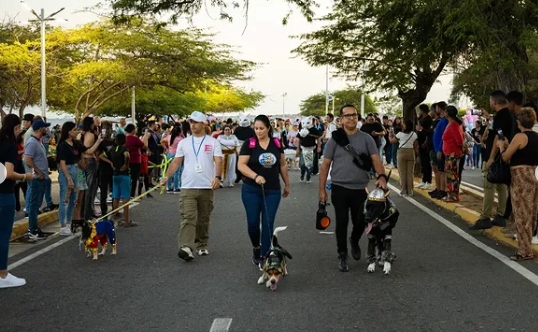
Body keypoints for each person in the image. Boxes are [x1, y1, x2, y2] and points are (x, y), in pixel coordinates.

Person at [319, 104, 388, 272]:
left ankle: (354, 240)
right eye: (347, 116)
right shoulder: (335, 139)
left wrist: (381, 176)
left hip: (360, 189)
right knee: (342, 221)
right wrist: (321, 190)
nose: (351, 118)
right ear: (341, 119)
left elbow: (375, 159)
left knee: (361, 221)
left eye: (354, 115)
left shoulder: (366, 138)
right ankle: (342, 254)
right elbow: (325, 165)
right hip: (339, 187)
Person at [161, 111, 223, 261]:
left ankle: (202, 244)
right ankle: (186, 247)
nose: (192, 125)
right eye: (191, 122)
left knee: (203, 218)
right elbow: (176, 162)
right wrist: (166, 177)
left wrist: (217, 177)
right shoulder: (184, 142)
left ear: (203, 124)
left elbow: (219, 160)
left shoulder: (213, 142)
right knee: (187, 217)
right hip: (188, 186)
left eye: (196, 122)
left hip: (206, 186)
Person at [237, 115, 291, 267]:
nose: (258, 131)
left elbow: (282, 165)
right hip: (251, 189)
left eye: (261, 128)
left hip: (272, 190)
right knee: (253, 223)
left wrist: (287, 184)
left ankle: (265, 255)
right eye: (256, 128)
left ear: (268, 128)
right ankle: (256, 247)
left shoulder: (276, 143)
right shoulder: (250, 143)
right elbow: (241, 165)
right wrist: (255, 176)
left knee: (268, 223)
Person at [497, 107, 538, 260]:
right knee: (530, 213)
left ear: (519, 121)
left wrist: (502, 147)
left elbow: (506, 157)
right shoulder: (535, 136)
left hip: (520, 177)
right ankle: (526, 247)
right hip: (532, 174)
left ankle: (524, 251)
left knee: (521, 214)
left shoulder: (520, 136)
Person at [0, 114, 34, 288]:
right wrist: (25, 176)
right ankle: (3, 275)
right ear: (15, 127)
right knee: (3, 235)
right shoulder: (10, 146)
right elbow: (9, 173)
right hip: (4, 194)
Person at [56, 122, 101, 234]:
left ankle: (72, 221)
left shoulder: (76, 143)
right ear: (69, 131)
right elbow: (62, 163)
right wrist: (69, 178)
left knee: (74, 199)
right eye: (75, 129)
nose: (78, 131)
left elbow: (89, 151)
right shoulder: (62, 146)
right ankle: (63, 225)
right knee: (65, 199)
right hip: (68, 170)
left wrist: (99, 140)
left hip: (78, 170)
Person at [23, 120, 53, 241]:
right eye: (45, 128)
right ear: (40, 129)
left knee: (37, 204)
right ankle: (32, 229)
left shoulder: (37, 142)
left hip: (41, 178)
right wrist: (38, 172)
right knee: (34, 205)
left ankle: (34, 228)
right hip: (36, 179)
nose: (46, 130)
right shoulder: (32, 143)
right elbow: (27, 159)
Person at [110, 133, 134, 227]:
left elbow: (102, 155)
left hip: (115, 175)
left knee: (116, 197)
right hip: (124, 175)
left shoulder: (114, 149)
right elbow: (127, 155)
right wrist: (126, 164)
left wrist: (111, 163)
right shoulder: (124, 149)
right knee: (125, 198)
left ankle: (115, 218)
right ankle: (127, 221)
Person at [389, 119, 417, 196]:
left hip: (401, 152)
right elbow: (415, 145)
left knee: (402, 172)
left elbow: (392, 141)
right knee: (410, 172)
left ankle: (404, 190)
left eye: (403, 124)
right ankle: (410, 190)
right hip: (411, 152)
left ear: (405, 126)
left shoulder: (400, 134)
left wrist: (390, 135)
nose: (402, 125)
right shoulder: (414, 134)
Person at [442, 106, 465, 202]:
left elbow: (460, 140)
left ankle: (453, 196)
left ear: (448, 113)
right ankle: (450, 195)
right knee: (450, 175)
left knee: (452, 175)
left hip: (453, 154)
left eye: (445, 111)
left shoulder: (453, 125)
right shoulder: (452, 123)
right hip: (450, 153)